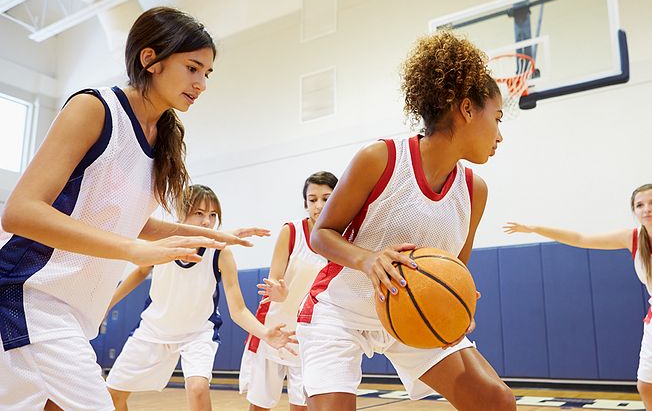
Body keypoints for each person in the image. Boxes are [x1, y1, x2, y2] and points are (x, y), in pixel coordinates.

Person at [0, 7, 262, 411]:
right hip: (30, 296)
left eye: (207, 73)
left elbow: (133, 224)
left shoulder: (163, 140)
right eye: (193, 68)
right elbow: (20, 212)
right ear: (150, 59)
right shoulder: (95, 109)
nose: (202, 83)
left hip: (70, 311)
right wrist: (131, 251)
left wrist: (212, 236)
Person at [295, 31, 515, 411]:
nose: (500, 135)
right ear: (466, 109)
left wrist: (456, 300)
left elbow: (455, 266)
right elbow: (321, 235)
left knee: (495, 401)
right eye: (496, 119)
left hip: (411, 314)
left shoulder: (475, 190)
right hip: (342, 311)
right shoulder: (380, 159)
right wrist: (368, 259)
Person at [504, 183, 652, 411]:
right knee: (647, 388)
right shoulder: (632, 239)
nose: (647, 209)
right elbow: (581, 238)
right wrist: (535, 228)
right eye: (640, 205)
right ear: (634, 211)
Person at [106, 184, 296, 410]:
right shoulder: (163, 240)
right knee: (112, 395)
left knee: (197, 388)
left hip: (197, 334)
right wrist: (106, 306)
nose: (207, 221)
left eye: (212, 215)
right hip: (153, 329)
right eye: (199, 213)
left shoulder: (221, 253)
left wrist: (265, 333)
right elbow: (139, 271)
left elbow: (238, 309)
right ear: (182, 213)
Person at [239, 171, 338, 411]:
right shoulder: (291, 231)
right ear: (305, 203)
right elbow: (274, 279)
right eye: (312, 199)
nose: (319, 205)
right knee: (260, 405)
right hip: (276, 326)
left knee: (302, 405)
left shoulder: (343, 239)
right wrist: (278, 292)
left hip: (311, 335)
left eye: (326, 198)